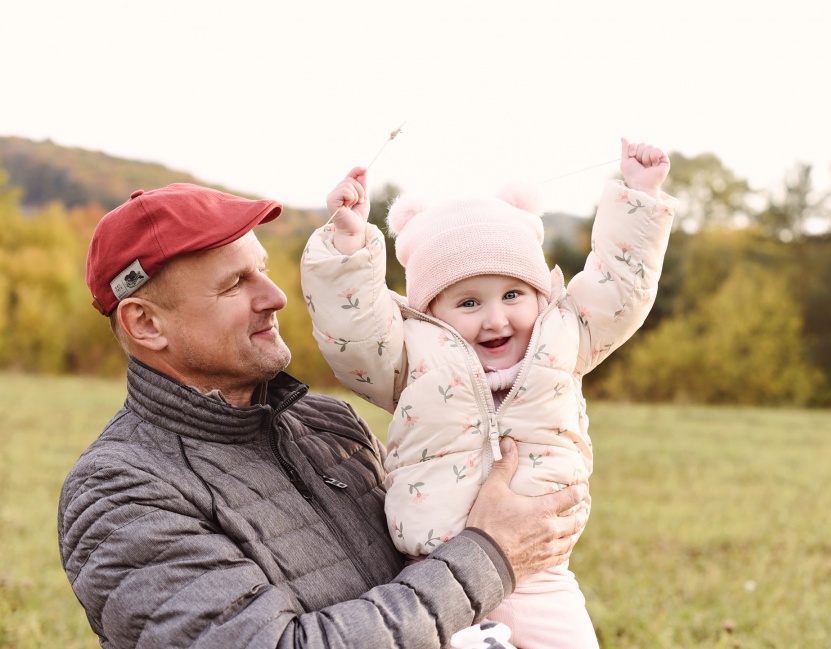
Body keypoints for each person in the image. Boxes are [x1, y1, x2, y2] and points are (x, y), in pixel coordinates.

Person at [57, 183, 590, 649]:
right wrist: (489, 556)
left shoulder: (331, 427)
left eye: (261, 271)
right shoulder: (119, 493)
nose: (276, 296)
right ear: (146, 324)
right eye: (234, 284)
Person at [301, 138, 676, 648]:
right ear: (431, 313)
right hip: (438, 582)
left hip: (542, 578)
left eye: (513, 294)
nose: (496, 319)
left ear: (541, 294)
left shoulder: (565, 335)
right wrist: (347, 247)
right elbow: (355, 332)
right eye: (469, 301)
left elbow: (620, 288)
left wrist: (639, 195)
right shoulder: (411, 357)